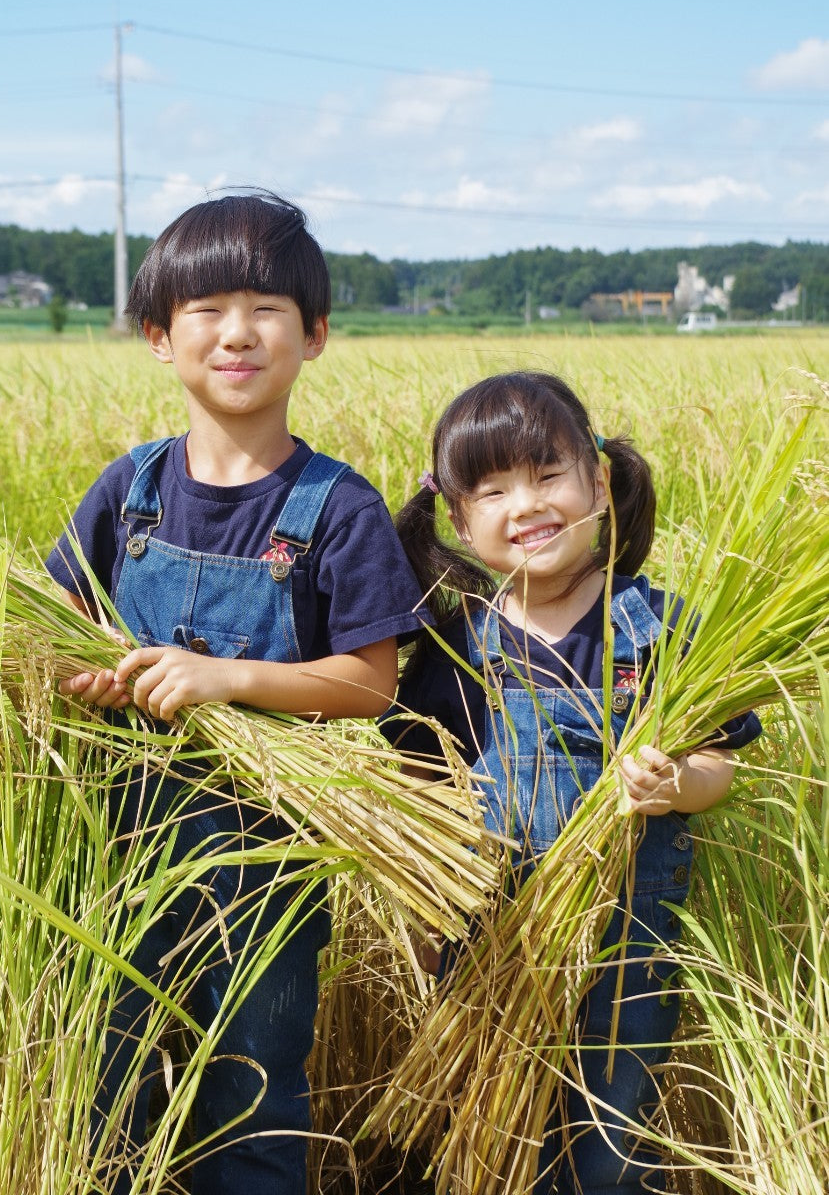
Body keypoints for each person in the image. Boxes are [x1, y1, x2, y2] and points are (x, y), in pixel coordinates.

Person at [46, 191, 428, 1195]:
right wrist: (80, 678)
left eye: (266, 307)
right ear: (159, 337)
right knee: (106, 1074)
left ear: (315, 335)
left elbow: (370, 681)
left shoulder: (336, 508)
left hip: (268, 858)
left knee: (254, 1087)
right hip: (116, 845)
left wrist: (228, 678)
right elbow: (49, 637)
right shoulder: (127, 492)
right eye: (207, 307)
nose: (237, 330)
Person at [383, 371, 761, 1194]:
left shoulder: (655, 627)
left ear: (597, 481)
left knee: (608, 1138)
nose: (526, 504)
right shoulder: (457, 648)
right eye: (492, 489)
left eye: (548, 474)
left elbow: (718, 765)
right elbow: (414, 781)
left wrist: (674, 785)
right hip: (488, 941)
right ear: (456, 518)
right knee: (487, 1138)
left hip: (628, 946)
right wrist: (423, 918)